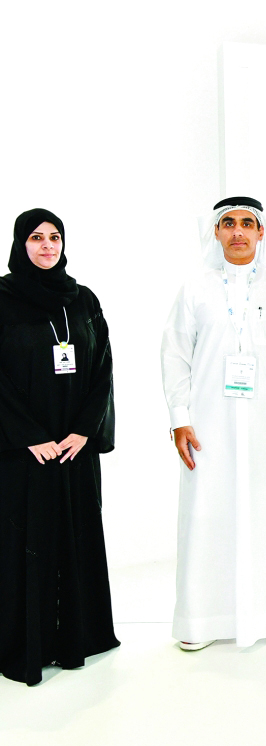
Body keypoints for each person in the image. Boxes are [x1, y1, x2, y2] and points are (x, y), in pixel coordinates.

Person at [160, 196, 266, 650]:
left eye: (248, 223)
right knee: (208, 514)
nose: (238, 232)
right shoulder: (195, 288)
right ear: (216, 232)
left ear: (261, 232)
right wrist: (179, 419)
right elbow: (175, 355)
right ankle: (203, 619)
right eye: (228, 223)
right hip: (211, 425)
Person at [0, 209, 118, 686]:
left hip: (73, 448)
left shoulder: (82, 299)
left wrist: (84, 431)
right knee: (24, 542)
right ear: (19, 244)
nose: (47, 245)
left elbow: (103, 367)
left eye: (54, 237)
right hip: (22, 452)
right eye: (36, 237)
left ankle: (77, 637)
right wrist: (29, 435)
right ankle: (27, 644)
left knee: (76, 535)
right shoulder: (3, 299)